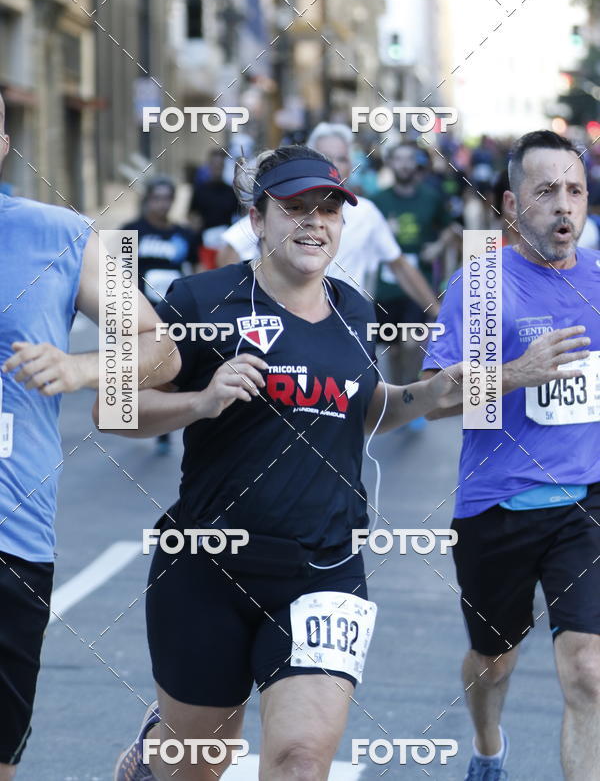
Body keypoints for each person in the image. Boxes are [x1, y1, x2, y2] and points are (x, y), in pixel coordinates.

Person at [97, 145, 464, 781]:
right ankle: (157, 753)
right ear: (257, 219)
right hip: (206, 566)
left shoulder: (355, 311)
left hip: (323, 569)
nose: (313, 222)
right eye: (294, 208)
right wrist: (202, 401)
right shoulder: (203, 300)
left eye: (328, 209)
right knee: (196, 766)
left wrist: (428, 394)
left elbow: (365, 406)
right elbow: (114, 407)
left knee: (299, 759)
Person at [0, 93, 179, 779]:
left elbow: (160, 349)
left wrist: (81, 366)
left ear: (5, 142)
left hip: (10, 540)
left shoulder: (62, 234)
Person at [422, 130, 600, 780]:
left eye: (575, 191)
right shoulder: (483, 285)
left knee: (589, 670)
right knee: (494, 660)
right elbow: (433, 398)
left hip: (586, 502)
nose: (564, 206)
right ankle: (488, 747)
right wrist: (514, 372)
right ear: (509, 204)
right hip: (496, 505)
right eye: (546, 190)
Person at [217, 123, 439, 317]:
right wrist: (244, 306)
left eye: (341, 158)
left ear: (351, 166)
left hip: (345, 322)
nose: (332, 166)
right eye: (324, 157)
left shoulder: (366, 212)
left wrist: (438, 313)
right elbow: (230, 249)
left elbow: (399, 265)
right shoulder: (282, 210)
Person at [122, 177, 198, 455]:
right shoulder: (131, 231)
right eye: (157, 197)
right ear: (147, 199)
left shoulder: (184, 234)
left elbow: (196, 270)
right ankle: (132, 411)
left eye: (168, 198)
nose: (162, 204)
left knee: (166, 368)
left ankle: (163, 427)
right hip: (142, 312)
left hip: (173, 314)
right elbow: (120, 275)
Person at [374, 141, 459, 386]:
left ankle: (412, 386)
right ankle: (398, 392)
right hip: (386, 286)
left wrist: (437, 247)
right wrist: (384, 233)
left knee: (413, 341)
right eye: (398, 159)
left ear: (416, 163)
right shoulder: (378, 200)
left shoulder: (431, 197)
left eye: (409, 159)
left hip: (418, 283)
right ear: (390, 163)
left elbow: (449, 229)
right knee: (394, 347)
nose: (404, 165)